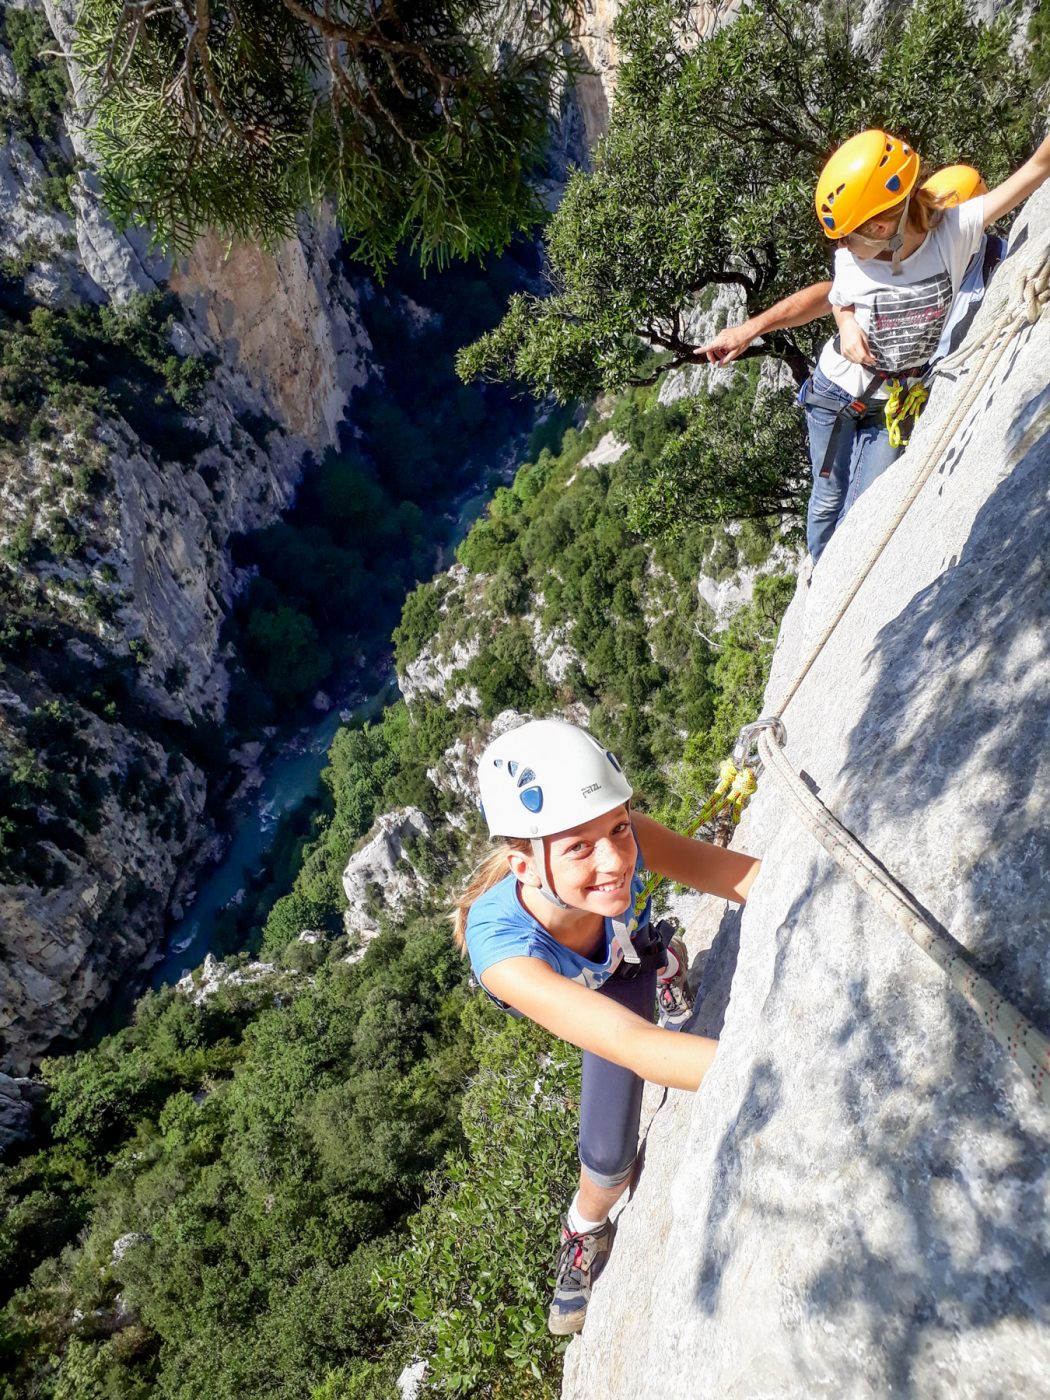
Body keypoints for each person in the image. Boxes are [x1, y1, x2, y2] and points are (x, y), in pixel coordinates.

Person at [453, 718, 760, 1334]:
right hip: (585, 985)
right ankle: (584, 1229)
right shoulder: (503, 955)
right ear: (525, 864)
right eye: (578, 848)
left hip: (623, 947)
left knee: (637, 937)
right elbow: (632, 1044)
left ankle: (662, 962)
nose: (615, 857)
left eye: (619, 827)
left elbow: (740, 877)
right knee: (610, 1158)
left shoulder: (622, 843)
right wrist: (773, 1059)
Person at [698, 128, 1050, 560]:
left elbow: (1036, 168)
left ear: (883, 226)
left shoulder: (957, 232)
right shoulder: (852, 256)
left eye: (847, 236)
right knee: (826, 501)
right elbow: (834, 297)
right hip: (834, 394)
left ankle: (836, 579)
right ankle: (820, 578)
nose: (840, 246)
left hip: (890, 405)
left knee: (864, 518)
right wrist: (770, 328)